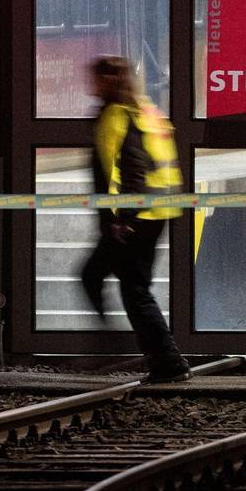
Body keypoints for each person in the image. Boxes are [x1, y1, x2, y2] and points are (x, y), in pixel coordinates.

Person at [82, 56, 191, 383]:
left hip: (135, 216)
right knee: (97, 274)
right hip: (157, 210)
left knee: (133, 289)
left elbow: (116, 169)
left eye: (96, 79)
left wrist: (121, 219)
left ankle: (167, 361)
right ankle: (113, 341)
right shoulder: (146, 109)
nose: (91, 85)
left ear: (107, 81)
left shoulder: (115, 116)